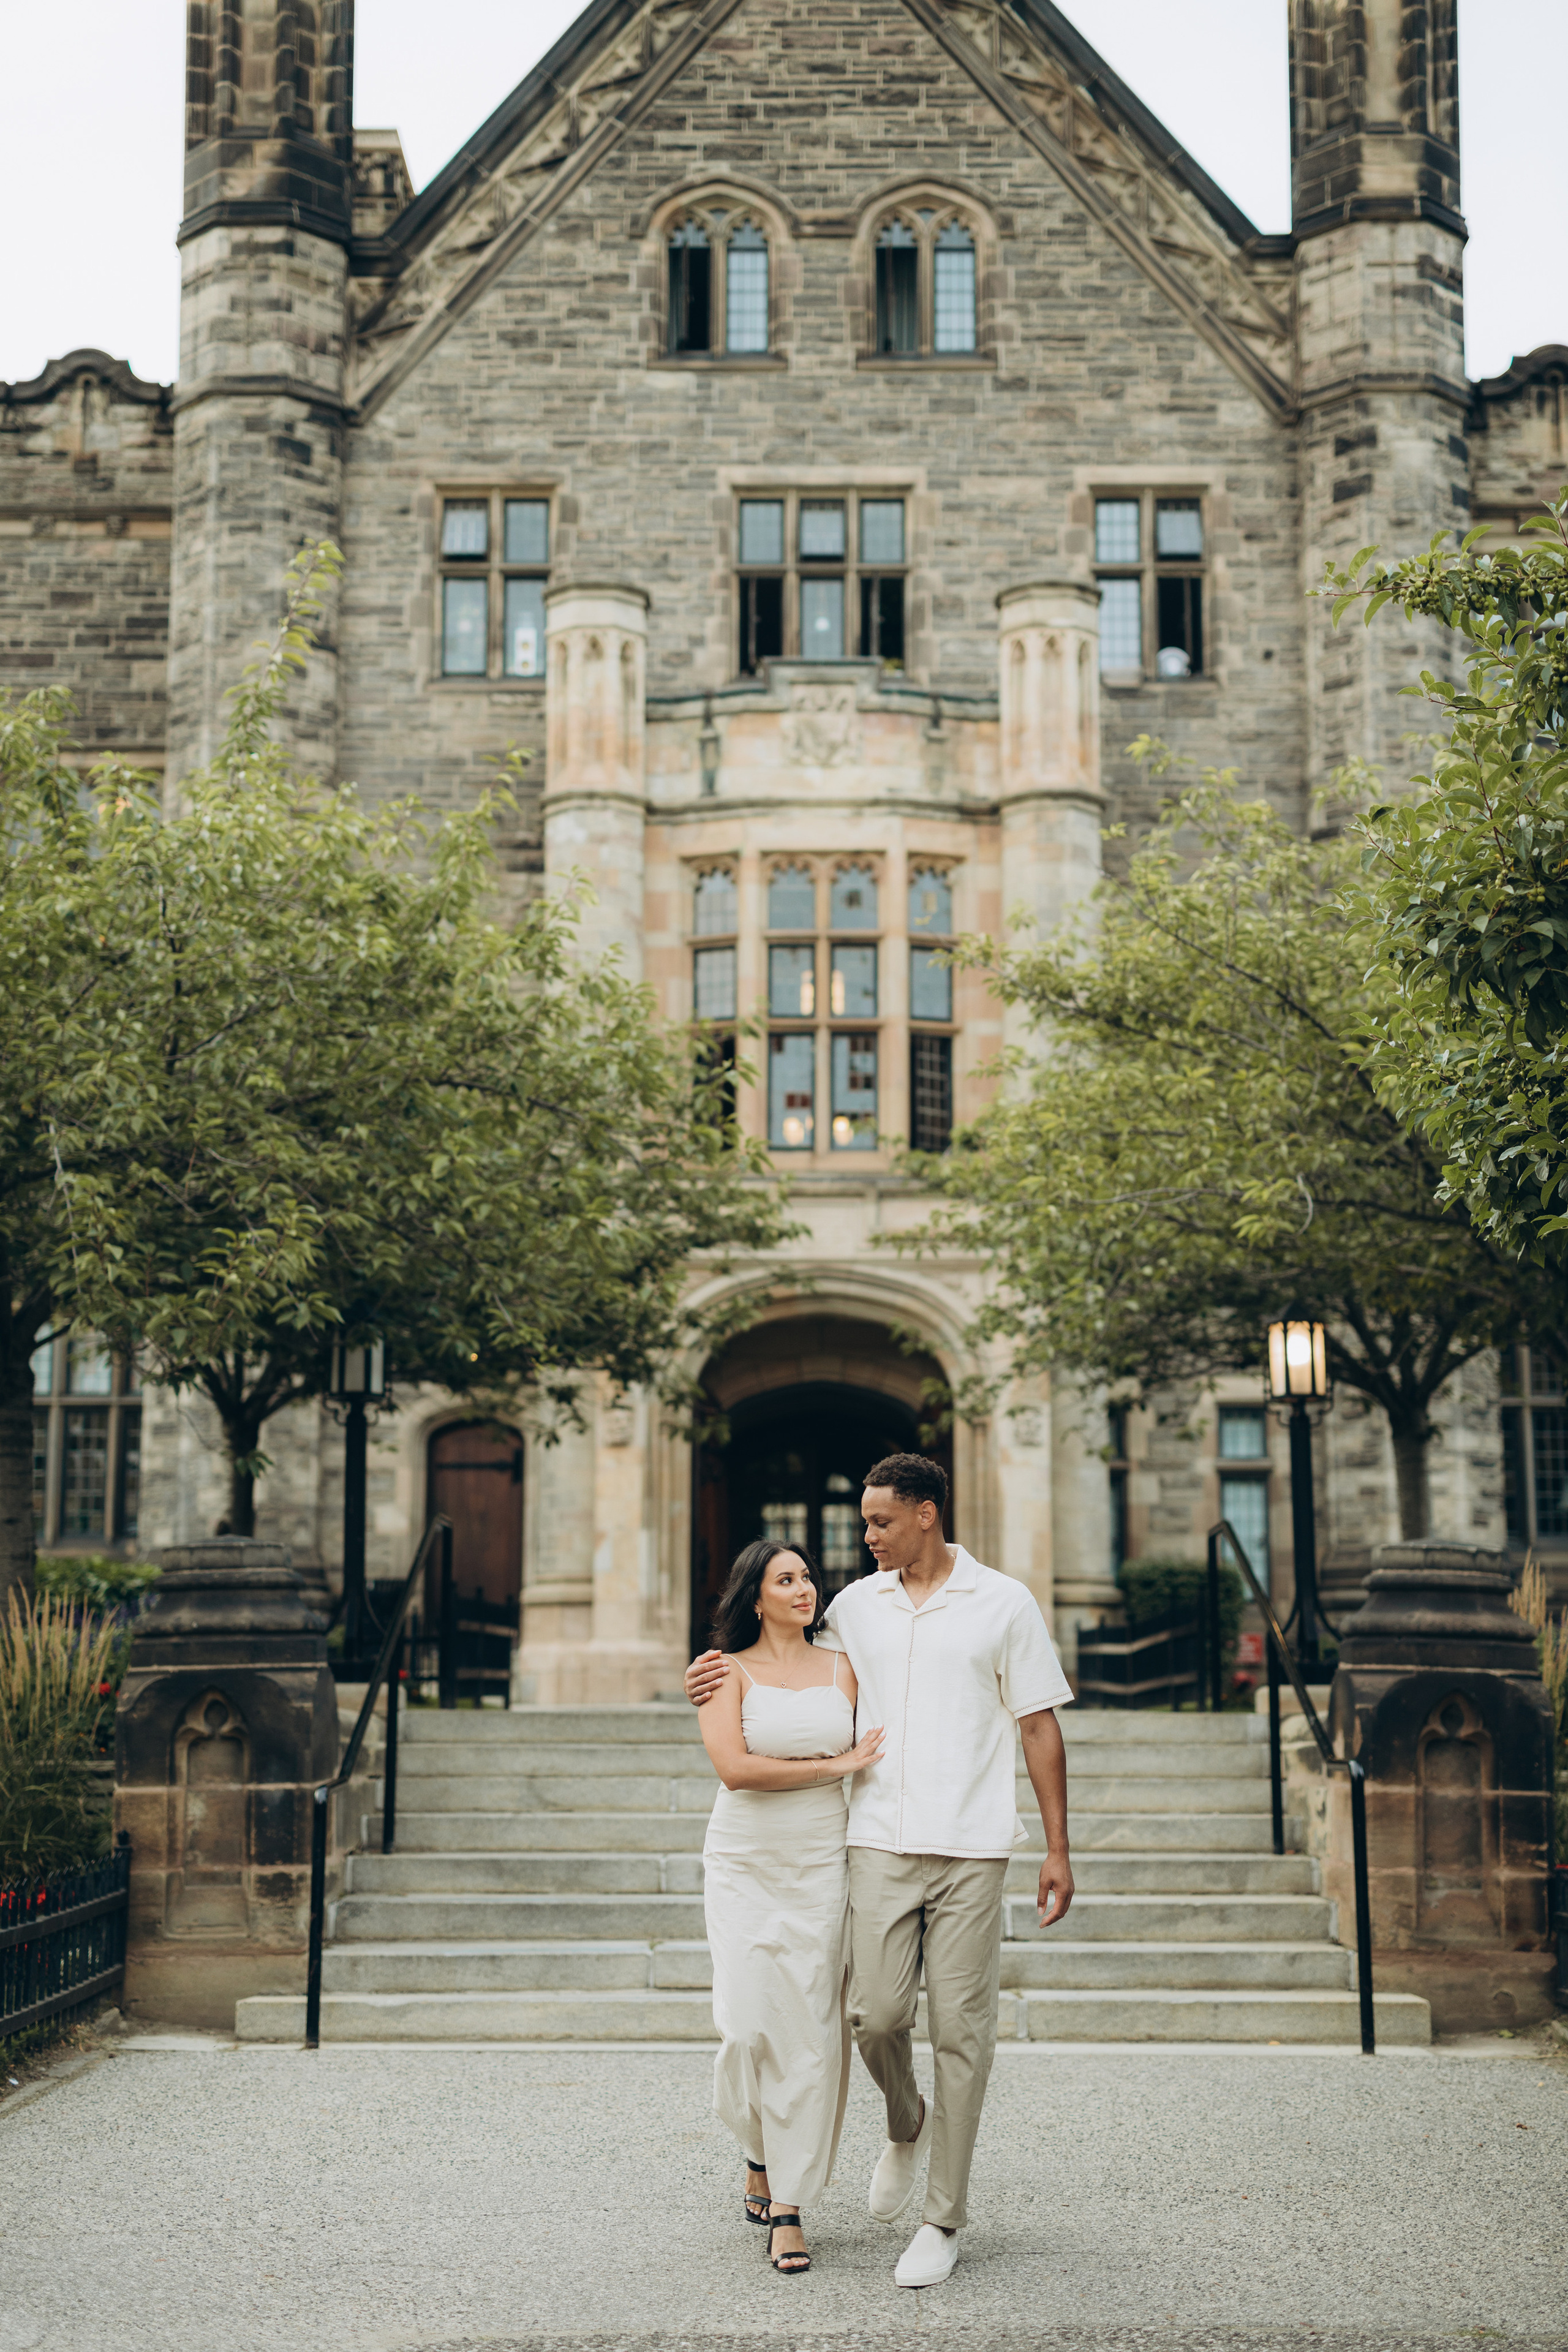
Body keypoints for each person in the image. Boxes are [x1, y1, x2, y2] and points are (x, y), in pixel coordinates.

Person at [687, 1453, 1073, 2289]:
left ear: (926, 1513)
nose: (865, 1537)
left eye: (880, 1522)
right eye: (863, 1521)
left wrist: (1057, 1847)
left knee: (962, 2035)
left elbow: (1040, 1725)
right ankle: (906, 2122)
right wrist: (709, 1671)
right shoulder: (854, 1609)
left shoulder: (1005, 1601)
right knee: (874, 2016)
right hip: (876, 1841)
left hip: (972, 1845)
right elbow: (783, 1664)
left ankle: (942, 2219)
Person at [697, 1537, 885, 2275]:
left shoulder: (846, 1666)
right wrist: (834, 1766)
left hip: (821, 1861)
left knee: (809, 2034)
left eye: (807, 1576)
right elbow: (734, 1769)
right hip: (743, 1861)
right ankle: (757, 2149)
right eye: (786, 1580)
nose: (805, 1588)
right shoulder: (724, 1671)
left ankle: (789, 2205)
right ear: (755, 1597)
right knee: (744, 2029)